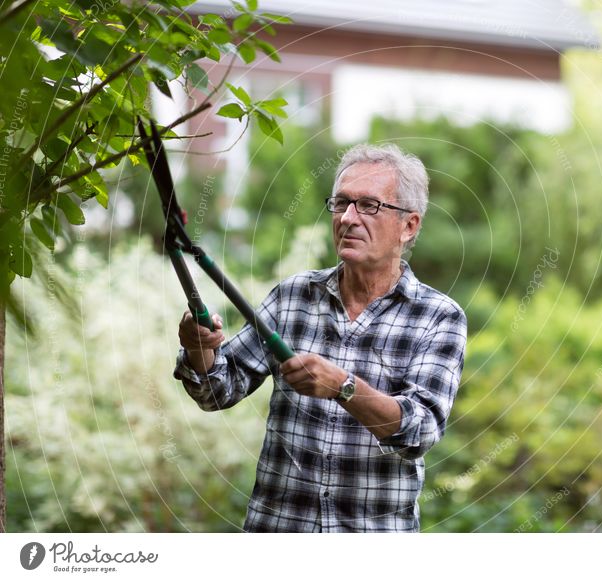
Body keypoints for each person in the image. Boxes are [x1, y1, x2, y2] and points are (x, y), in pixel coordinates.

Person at [173, 143, 467, 532]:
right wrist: (199, 350)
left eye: (369, 206)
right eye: (341, 203)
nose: (348, 218)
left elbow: (419, 431)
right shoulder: (292, 296)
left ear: (408, 226)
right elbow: (216, 391)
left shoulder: (438, 317)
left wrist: (343, 388)